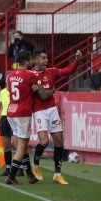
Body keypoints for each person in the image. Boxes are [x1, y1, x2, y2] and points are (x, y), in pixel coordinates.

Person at [31, 48, 82, 185]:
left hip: (52, 109)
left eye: (46, 58)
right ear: (35, 60)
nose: (46, 60)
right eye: (43, 58)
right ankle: (35, 165)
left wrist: (76, 61)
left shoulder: (51, 72)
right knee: (44, 141)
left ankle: (57, 174)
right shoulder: (30, 75)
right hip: (39, 111)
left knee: (59, 141)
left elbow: (68, 71)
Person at [5, 50, 54, 185]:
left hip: (11, 111)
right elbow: (41, 94)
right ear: (27, 60)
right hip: (22, 112)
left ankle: (30, 175)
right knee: (22, 146)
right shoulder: (31, 75)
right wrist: (52, 90)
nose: (33, 61)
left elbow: (10, 90)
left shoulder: (10, 75)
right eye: (31, 59)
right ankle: (11, 175)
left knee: (21, 145)